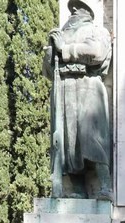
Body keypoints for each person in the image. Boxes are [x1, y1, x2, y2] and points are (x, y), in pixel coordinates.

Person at [44, 0, 112, 200]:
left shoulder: (96, 31)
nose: (73, 10)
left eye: (79, 6)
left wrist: (65, 49)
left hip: (88, 85)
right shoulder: (60, 34)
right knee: (67, 142)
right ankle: (74, 190)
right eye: (72, 6)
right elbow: (47, 72)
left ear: (88, 11)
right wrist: (50, 54)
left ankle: (104, 186)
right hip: (64, 87)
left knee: (92, 138)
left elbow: (97, 52)